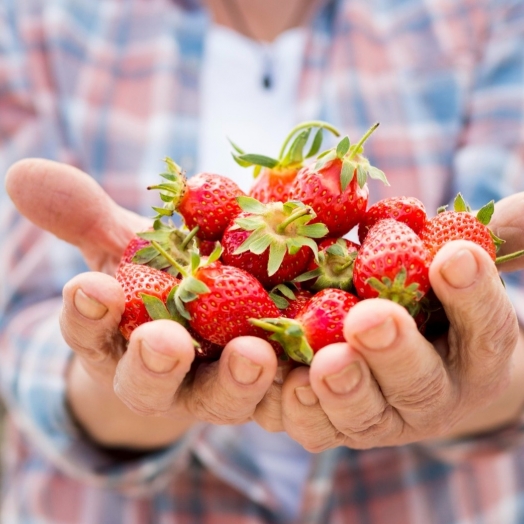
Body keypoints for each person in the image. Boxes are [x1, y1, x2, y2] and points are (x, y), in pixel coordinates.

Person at [1, 0, 524, 522]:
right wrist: (119, 380)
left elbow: (508, 311)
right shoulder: (36, 21)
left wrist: (485, 364)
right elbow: (22, 333)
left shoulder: (482, 14)